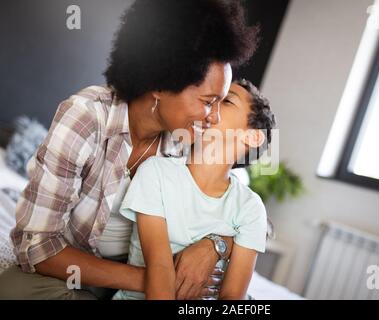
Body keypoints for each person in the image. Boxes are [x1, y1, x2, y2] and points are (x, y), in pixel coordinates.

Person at [0, 0, 258, 300]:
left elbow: (250, 215)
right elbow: (36, 247)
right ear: (161, 83)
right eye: (207, 101)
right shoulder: (87, 117)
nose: (214, 117)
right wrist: (152, 281)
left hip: (147, 282)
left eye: (221, 103)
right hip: (80, 271)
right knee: (14, 288)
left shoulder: (188, 139)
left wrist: (216, 244)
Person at [113, 79, 276, 300]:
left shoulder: (250, 207)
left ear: (253, 136)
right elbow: (159, 271)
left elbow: (232, 297)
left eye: (226, 101)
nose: (211, 109)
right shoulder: (155, 172)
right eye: (211, 100)